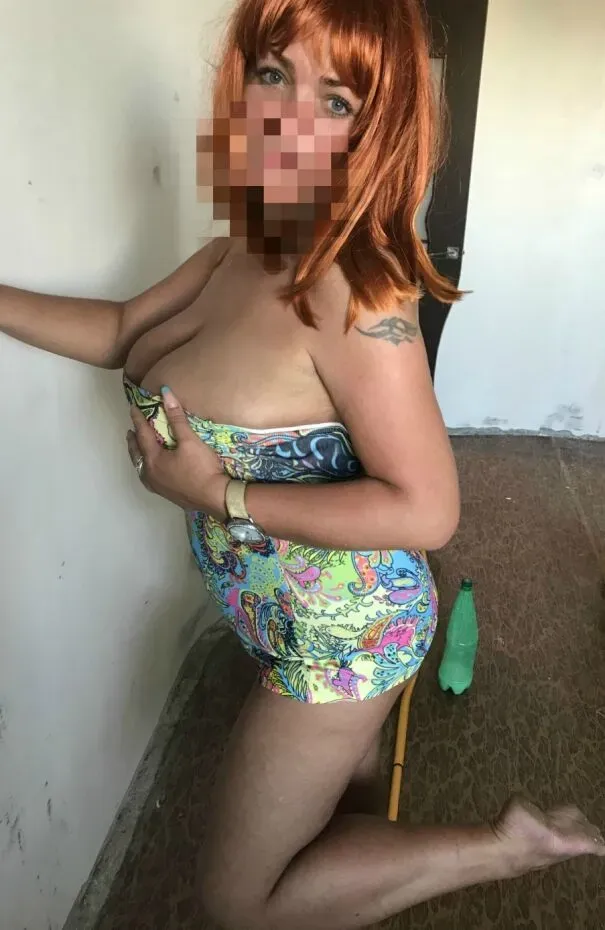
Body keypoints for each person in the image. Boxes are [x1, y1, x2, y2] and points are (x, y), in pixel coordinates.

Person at [2, 0, 603, 926]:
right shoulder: (237, 252)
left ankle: (507, 845)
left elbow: (427, 510)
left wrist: (220, 492)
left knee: (239, 903)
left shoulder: (357, 294)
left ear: (377, 128)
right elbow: (121, 329)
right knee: (332, 835)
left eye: (336, 100)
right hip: (271, 607)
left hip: (345, 634)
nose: (286, 118)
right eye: (274, 74)